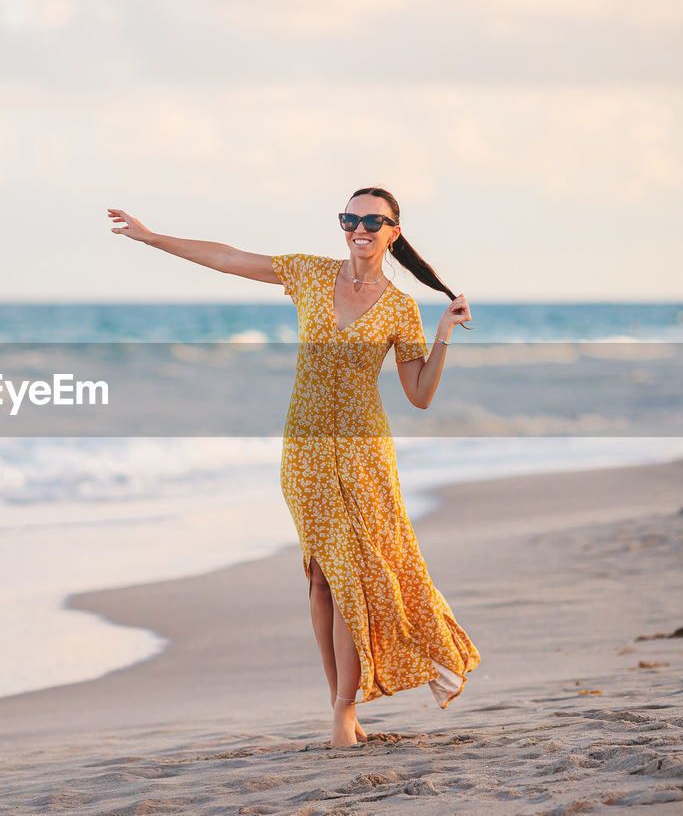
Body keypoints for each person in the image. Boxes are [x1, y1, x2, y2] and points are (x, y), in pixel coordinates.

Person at [106, 187, 481, 747]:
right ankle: (343, 707)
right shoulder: (309, 274)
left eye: (372, 220)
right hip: (304, 452)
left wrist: (443, 335)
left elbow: (419, 395)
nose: (360, 227)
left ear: (393, 231)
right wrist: (153, 236)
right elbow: (229, 257)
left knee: (354, 576)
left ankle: (341, 712)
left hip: (364, 454)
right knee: (322, 579)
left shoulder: (402, 307)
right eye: (350, 218)